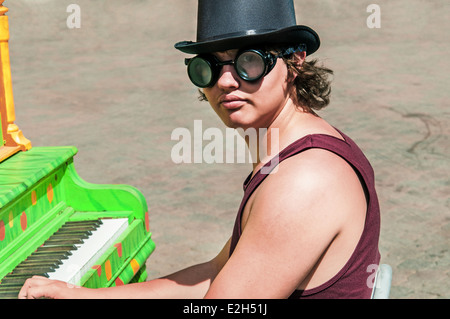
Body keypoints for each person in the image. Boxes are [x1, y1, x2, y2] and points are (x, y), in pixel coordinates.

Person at [19, 0, 380, 299]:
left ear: (295, 59)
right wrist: (80, 294)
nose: (225, 81)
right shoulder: (294, 148)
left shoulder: (304, 180)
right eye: (208, 65)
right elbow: (219, 271)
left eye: (248, 61)